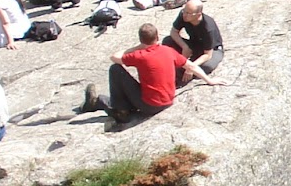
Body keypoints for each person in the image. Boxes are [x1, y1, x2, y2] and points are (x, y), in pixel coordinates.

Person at [82, 23, 220, 125]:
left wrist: (138, 47)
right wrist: (209, 80)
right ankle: (99, 102)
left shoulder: (140, 55)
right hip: (168, 100)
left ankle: (120, 110)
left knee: (115, 69)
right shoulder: (168, 51)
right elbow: (191, 65)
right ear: (157, 37)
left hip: (149, 106)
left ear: (141, 39)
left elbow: (114, 57)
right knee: (126, 89)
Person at [164, 0, 223, 77]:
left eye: (188, 13)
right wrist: (184, 46)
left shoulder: (208, 27)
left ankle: (184, 69)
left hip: (212, 50)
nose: (184, 14)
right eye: (184, 11)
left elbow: (208, 55)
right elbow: (174, 32)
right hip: (194, 44)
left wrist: (191, 67)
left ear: (198, 14)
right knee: (168, 41)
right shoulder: (183, 15)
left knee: (206, 66)